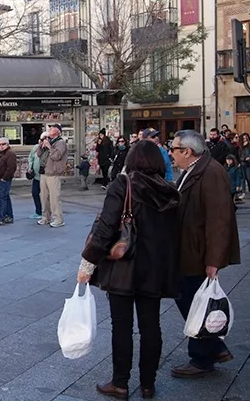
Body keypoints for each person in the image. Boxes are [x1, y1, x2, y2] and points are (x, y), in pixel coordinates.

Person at [78, 140, 181, 400]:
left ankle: (120, 383)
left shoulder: (122, 185)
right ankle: (148, 384)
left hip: (124, 266)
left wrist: (87, 263)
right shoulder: (169, 189)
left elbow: (105, 228)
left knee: (121, 326)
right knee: (151, 326)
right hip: (155, 269)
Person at [169, 129, 241, 378]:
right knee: (189, 298)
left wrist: (214, 261)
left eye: (174, 149)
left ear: (187, 152)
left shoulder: (211, 173)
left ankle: (201, 358)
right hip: (189, 249)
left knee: (193, 302)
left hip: (198, 253)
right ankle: (215, 347)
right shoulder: (194, 170)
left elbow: (219, 220)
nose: (171, 153)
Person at [39, 124, 68, 228]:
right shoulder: (48, 141)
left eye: (52, 128)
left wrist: (49, 147)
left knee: (54, 198)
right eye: (50, 128)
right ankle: (45, 217)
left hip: (53, 173)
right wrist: (41, 144)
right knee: (44, 197)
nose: (50, 129)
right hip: (44, 172)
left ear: (58, 132)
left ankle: (58, 219)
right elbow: (39, 155)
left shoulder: (60, 143)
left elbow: (57, 156)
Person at [0, 137, 17, 225]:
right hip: (0, 179)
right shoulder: (2, 154)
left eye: (3, 144)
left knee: (2, 197)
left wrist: (4, 177)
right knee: (5, 197)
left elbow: (11, 168)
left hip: (4, 179)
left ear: (7, 144)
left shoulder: (10, 154)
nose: (1, 146)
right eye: (0, 144)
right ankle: (8, 216)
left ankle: (1, 217)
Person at [28, 137, 44, 219]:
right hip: (36, 176)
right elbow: (31, 157)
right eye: (40, 139)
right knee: (35, 193)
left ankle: (47, 212)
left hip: (45, 176)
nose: (41, 141)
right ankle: (38, 211)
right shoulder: (36, 147)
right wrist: (30, 167)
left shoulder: (48, 148)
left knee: (46, 195)